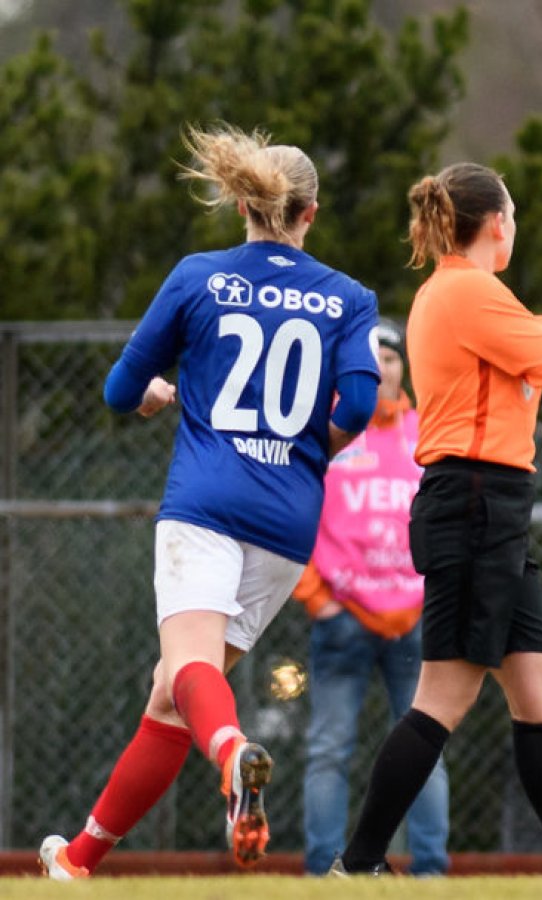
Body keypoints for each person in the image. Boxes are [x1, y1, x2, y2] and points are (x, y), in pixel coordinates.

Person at [39, 123, 380, 879]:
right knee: (173, 693)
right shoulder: (349, 298)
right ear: (309, 215)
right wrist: (307, 448)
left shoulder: (198, 274)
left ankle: (232, 756)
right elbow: (358, 406)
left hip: (206, 503)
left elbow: (119, 389)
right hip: (288, 521)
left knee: (191, 676)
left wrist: (158, 392)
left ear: (242, 207)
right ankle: (80, 860)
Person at [332, 162, 542, 877]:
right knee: (444, 696)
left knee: (539, 686)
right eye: (511, 215)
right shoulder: (472, 291)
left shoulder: (454, 293)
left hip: (493, 505)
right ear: (494, 224)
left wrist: (538, 343)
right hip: (474, 501)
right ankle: (357, 863)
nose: (515, 227)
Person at [294, 319, 449, 876]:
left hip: (415, 617)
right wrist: (315, 596)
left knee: (425, 747)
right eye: (373, 355)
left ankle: (431, 872)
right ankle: (323, 872)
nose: (384, 364)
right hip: (343, 616)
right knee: (329, 750)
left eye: (392, 355)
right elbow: (292, 511)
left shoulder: (427, 431)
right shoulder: (330, 432)